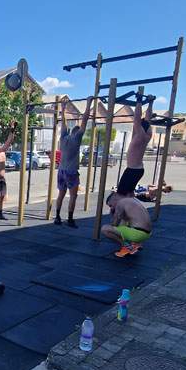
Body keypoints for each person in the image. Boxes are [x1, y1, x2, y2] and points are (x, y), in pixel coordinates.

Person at [54, 96, 93, 228]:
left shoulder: (64, 136)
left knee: (61, 194)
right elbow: (85, 120)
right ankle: (70, 219)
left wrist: (63, 108)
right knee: (73, 196)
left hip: (61, 171)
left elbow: (63, 122)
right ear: (78, 133)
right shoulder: (77, 139)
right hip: (71, 172)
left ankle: (58, 217)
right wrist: (88, 104)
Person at [116, 91, 155, 196]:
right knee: (129, 192)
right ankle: (130, 208)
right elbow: (148, 119)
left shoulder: (140, 135)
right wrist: (150, 103)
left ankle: (125, 210)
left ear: (140, 128)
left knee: (121, 193)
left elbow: (137, 119)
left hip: (132, 169)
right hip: (138, 169)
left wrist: (138, 101)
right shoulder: (148, 136)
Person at [102, 192, 152, 257]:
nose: (111, 208)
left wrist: (112, 214)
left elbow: (114, 224)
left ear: (114, 199)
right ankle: (134, 243)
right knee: (124, 220)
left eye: (111, 205)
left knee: (105, 229)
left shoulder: (120, 203)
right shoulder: (132, 200)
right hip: (147, 233)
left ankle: (126, 246)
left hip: (137, 234)